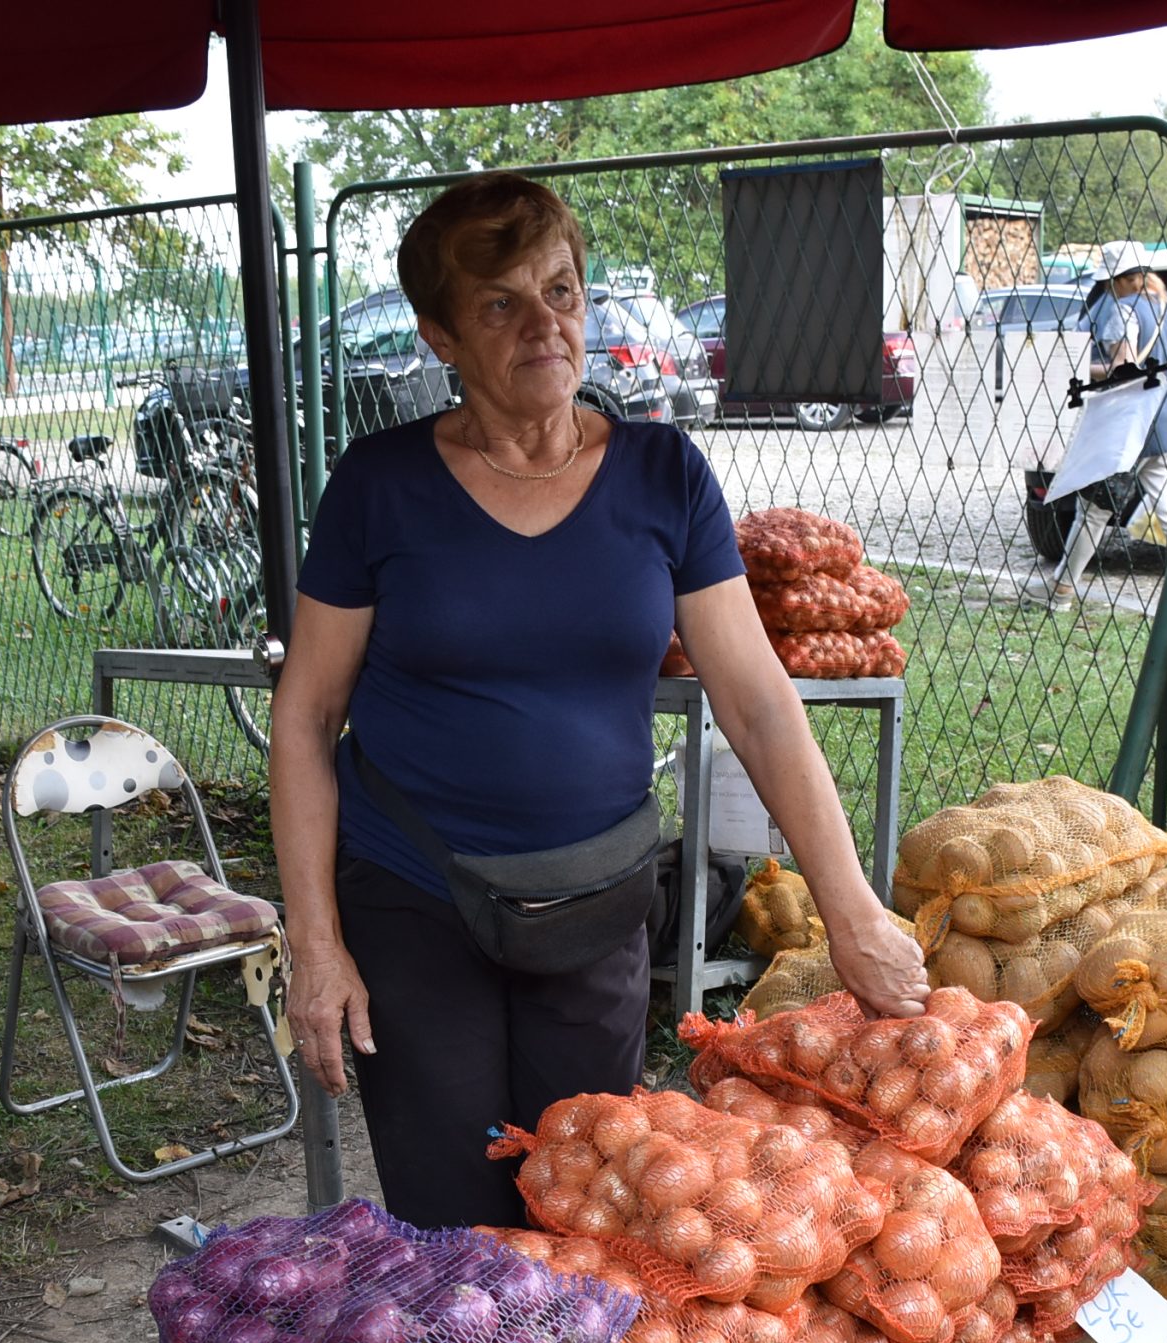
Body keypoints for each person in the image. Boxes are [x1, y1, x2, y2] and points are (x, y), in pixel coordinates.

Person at [269, 172, 932, 1230]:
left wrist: (849, 908)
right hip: (414, 899)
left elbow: (758, 702)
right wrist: (316, 946)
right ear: (440, 334)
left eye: (562, 289)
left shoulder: (662, 474)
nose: (545, 322)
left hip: (596, 903)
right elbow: (304, 720)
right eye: (500, 303)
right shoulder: (380, 485)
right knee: (455, 1227)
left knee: (592, 1210)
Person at [1043, 240, 1167, 614]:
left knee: (1095, 509)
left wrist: (1073, 368)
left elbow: (1123, 369)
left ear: (1121, 280)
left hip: (1131, 425)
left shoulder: (1122, 309)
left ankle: (1062, 592)